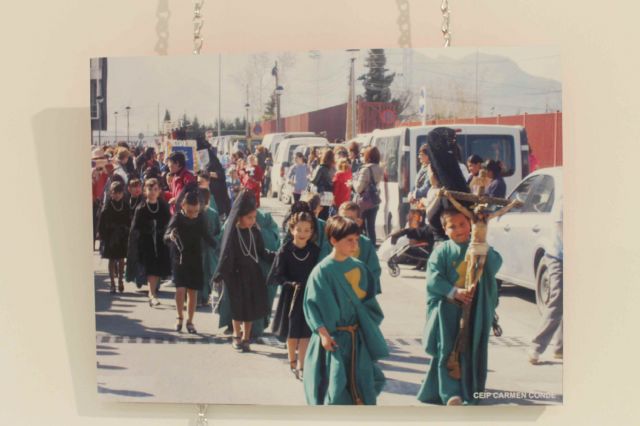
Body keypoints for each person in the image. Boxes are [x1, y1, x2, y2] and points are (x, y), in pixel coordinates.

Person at [416, 208, 502, 405]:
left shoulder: (478, 246)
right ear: (445, 230)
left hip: (474, 310)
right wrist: (455, 292)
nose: (459, 229)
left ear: (470, 225)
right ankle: (450, 394)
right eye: (452, 226)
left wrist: (483, 246)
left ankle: (470, 390)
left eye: (463, 224)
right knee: (447, 350)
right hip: (448, 309)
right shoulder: (442, 251)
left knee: (471, 349)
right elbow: (433, 278)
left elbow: (495, 265)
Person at [302, 216, 389, 405]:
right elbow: (312, 307)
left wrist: (367, 326)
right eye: (349, 240)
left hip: (356, 339)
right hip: (332, 340)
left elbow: (369, 304)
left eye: (356, 240)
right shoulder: (321, 271)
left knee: (362, 384)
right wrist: (323, 335)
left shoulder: (360, 267)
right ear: (333, 240)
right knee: (334, 388)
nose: (354, 245)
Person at [213, 190, 275, 352]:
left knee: (250, 308)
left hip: (253, 274)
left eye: (254, 217)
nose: (253, 221)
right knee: (238, 308)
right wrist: (221, 273)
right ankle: (236, 334)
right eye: (249, 218)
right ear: (240, 216)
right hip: (236, 275)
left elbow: (261, 251)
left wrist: (276, 257)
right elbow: (226, 254)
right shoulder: (233, 233)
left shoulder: (255, 231)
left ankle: (247, 337)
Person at [268, 211, 320, 380]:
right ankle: (292, 361)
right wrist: (290, 284)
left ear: (312, 231)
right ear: (292, 230)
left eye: (307, 230)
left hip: (308, 296)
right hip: (291, 296)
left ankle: (302, 365)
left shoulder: (314, 250)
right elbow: (277, 275)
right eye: (299, 229)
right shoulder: (285, 250)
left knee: (305, 332)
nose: (303, 234)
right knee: (292, 333)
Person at [164, 189, 217, 334]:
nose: (193, 215)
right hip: (179, 257)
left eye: (195, 211)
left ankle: (190, 321)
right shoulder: (177, 218)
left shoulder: (200, 218)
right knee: (180, 289)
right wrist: (171, 236)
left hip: (195, 257)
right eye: (190, 211)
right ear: (183, 206)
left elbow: (207, 236)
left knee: (193, 292)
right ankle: (179, 317)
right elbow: (166, 236)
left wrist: (218, 247)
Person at [529, 199, 563, 364]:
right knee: (558, 297)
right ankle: (536, 346)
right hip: (559, 256)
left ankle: (561, 348)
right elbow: (561, 228)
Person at [130, 178, 171, 306]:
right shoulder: (141, 208)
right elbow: (135, 227)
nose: (152, 192)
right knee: (151, 268)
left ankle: (152, 291)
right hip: (146, 243)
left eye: (155, 189)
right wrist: (148, 228)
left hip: (160, 242)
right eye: (150, 189)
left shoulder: (163, 206)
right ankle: (152, 294)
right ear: (145, 191)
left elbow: (169, 223)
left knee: (157, 269)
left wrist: (164, 231)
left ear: (159, 191)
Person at [337, 202, 382, 294]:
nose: (346, 222)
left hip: (359, 293)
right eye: (343, 218)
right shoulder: (332, 241)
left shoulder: (365, 244)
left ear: (359, 222)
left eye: (350, 219)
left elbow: (374, 271)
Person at [98, 181, 131, 294]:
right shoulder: (107, 206)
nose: (117, 195)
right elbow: (101, 223)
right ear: (110, 193)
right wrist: (103, 237)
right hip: (110, 237)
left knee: (121, 259)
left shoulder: (125, 205)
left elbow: (129, 221)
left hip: (122, 236)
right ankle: (112, 283)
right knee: (112, 260)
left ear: (122, 193)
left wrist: (127, 231)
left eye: (119, 192)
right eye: (114, 192)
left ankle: (120, 281)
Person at [352, 146, 384, 245]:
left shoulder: (365, 169)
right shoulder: (380, 168)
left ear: (367, 156)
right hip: (374, 200)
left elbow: (358, 188)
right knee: (371, 227)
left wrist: (352, 182)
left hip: (363, 202)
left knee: (359, 227)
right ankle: (372, 249)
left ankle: (361, 247)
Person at [198, 187, 222, 307]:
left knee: (199, 272)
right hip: (210, 247)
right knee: (207, 273)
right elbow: (219, 230)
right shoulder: (213, 212)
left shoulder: (195, 212)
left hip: (198, 247)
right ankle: (204, 297)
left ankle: (197, 297)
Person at [309, 149, 335, 220]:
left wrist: (309, 177)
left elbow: (314, 181)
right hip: (329, 194)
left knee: (319, 213)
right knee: (326, 213)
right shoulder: (332, 168)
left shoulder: (321, 168)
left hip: (320, 194)